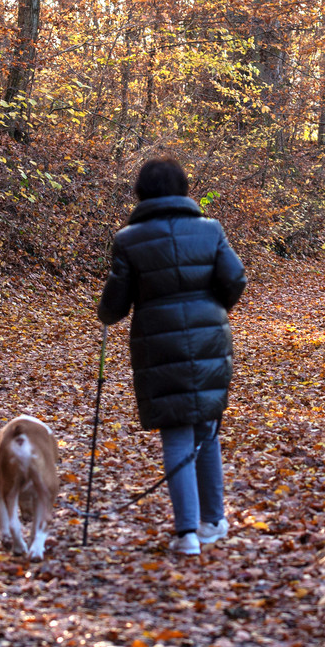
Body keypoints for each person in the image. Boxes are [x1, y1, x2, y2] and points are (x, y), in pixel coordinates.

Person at [98, 157, 246, 555]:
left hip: (157, 346)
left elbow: (115, 302)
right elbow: (235, 278)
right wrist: (214, 309)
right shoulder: (210, 230)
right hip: (209, 342)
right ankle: (213, 521)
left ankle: (187, 535)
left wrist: (107, 314)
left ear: (141, 193)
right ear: (184, 189)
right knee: (207, 433)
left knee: (177, 436)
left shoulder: (128, 239)